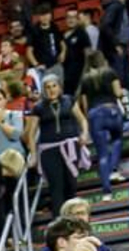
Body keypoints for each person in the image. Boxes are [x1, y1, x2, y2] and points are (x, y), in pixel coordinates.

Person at [27, 74, 89, 217]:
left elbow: (82, 120)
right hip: (49, 151)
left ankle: (74, 219)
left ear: (59, 87)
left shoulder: (69, 100)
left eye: (54, 86)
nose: (51, 89)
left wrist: (84, 134)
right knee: (56, 188)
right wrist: (34, 156)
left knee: (71, 185)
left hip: (70, 148)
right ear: (43, 90)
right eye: (47, 87)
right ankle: (59, 223)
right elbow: (31, 134)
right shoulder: (38, 108)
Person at [77, 51, 125, 194]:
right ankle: (114, 169)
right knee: (117, 140)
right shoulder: (110, 72)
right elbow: (118, 93)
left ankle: (106, 192)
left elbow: (84, 105)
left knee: (102, 153)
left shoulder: (85, 79)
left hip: (94, 114)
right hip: (112, 111)